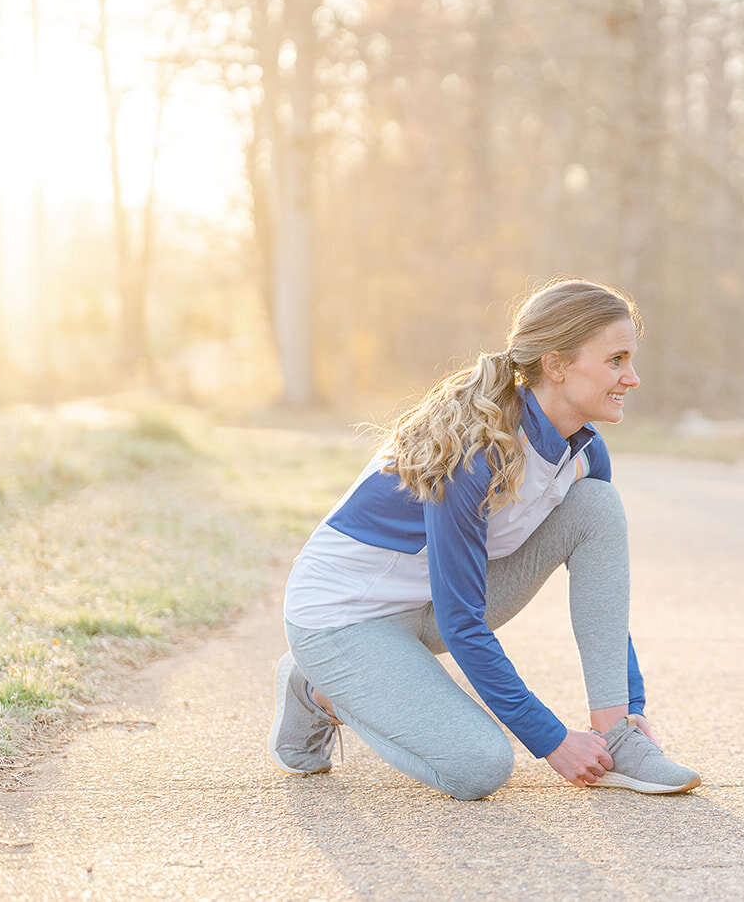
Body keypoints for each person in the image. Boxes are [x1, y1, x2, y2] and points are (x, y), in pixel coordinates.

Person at [267, 278, 699, 799]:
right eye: (616, 360)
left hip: (425, 603)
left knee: (598, 506)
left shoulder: (583, 452)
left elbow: (605, 598)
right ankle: (320, 689)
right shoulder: (474, 454)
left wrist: (630, 706)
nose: (632, 377)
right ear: (557, 365)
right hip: (342, 619)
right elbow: (463, 622)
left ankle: (618, 737)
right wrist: (553, 741)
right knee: (479, 767)